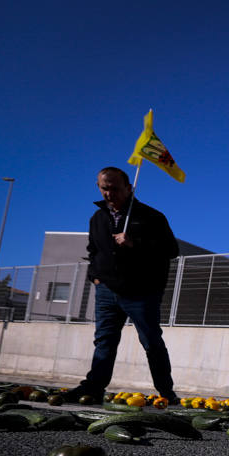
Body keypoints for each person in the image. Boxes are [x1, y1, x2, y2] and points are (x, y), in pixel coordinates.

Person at [65, 167, 180, 403]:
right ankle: (93, 388)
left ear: (129, 188)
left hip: (141, 292)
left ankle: (167, 393)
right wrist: (95, 279)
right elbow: (93, 251)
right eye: (104, 188)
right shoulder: (97, 218)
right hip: (106, 290)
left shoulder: (151, 217)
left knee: (151, 341)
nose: (109, 193)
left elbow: (171, 250)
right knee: (104, 341)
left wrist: (134, 243)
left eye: (115, 188)